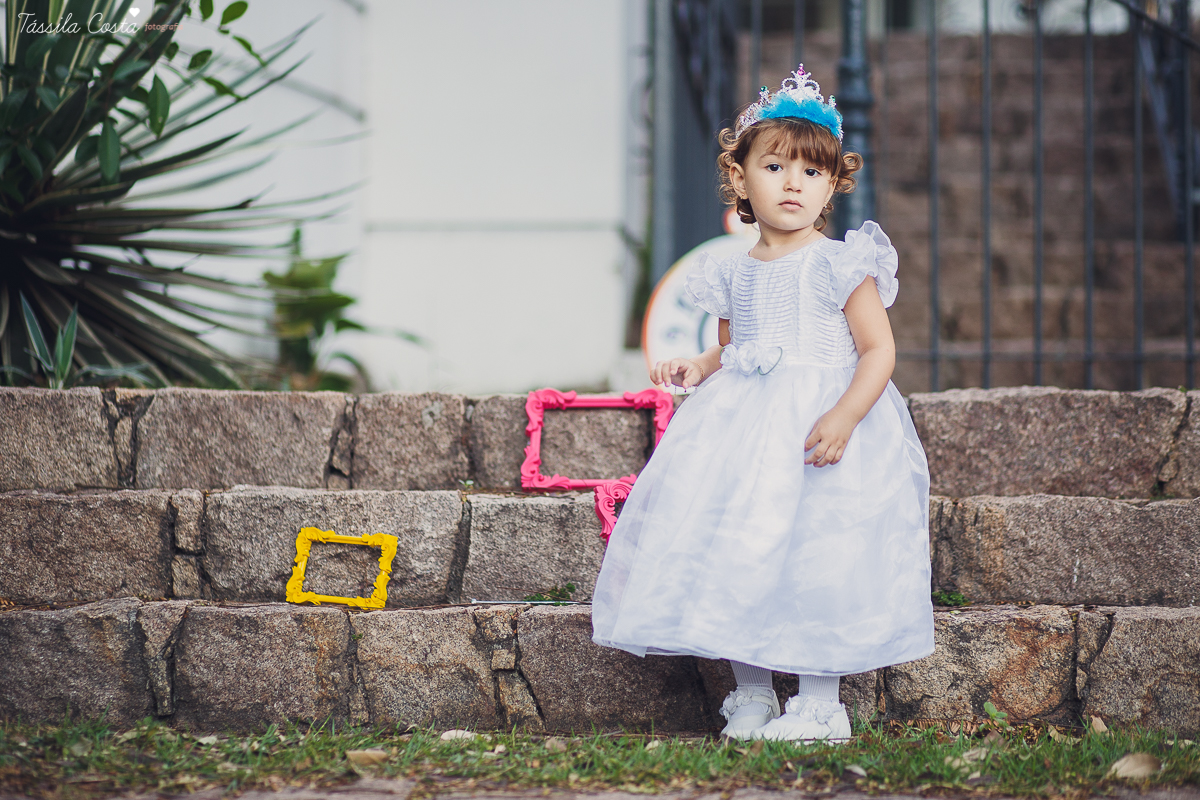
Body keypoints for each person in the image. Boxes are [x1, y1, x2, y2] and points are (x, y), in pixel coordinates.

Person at [590, 67, 934, 742]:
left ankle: (819, 701)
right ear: (740, 178)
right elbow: (737, 345)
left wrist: (845, 415)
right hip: (744, 431)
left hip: (818, 428)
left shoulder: (841, 263)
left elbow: (879, 351)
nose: (793, 183)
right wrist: (699, 364)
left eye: (812, 172)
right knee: (740, 548)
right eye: (774, 166)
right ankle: (751, 692)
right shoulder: (733, 268)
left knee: (819, 554)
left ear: (834, 185)